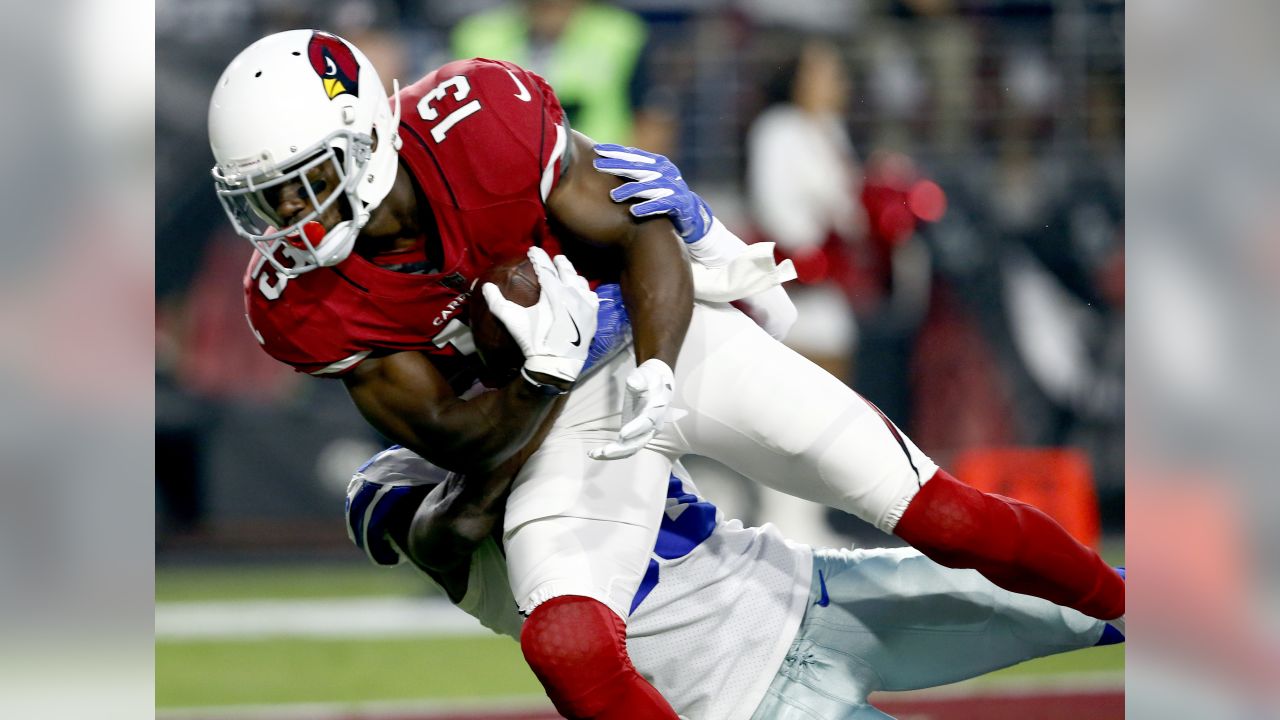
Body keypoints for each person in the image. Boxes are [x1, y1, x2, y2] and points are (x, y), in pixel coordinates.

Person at [208, 30, 1123, 719]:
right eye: (263, 196)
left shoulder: (474, 125)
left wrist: (651, 355)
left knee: (934, 510)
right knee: (566, 640)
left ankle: (1146, 612)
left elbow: (642, 229)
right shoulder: (298, 299)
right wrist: (546, 377)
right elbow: (453, 440)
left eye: (303, 179)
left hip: (657, 338)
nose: (287, 213)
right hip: (550, 416)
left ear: (366, 133)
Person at [346, 444, 1124, 720]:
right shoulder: (461, 544)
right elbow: (442, 522)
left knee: (1092, 599)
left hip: (817, 592)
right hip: (753, 706)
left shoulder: (562, 411)